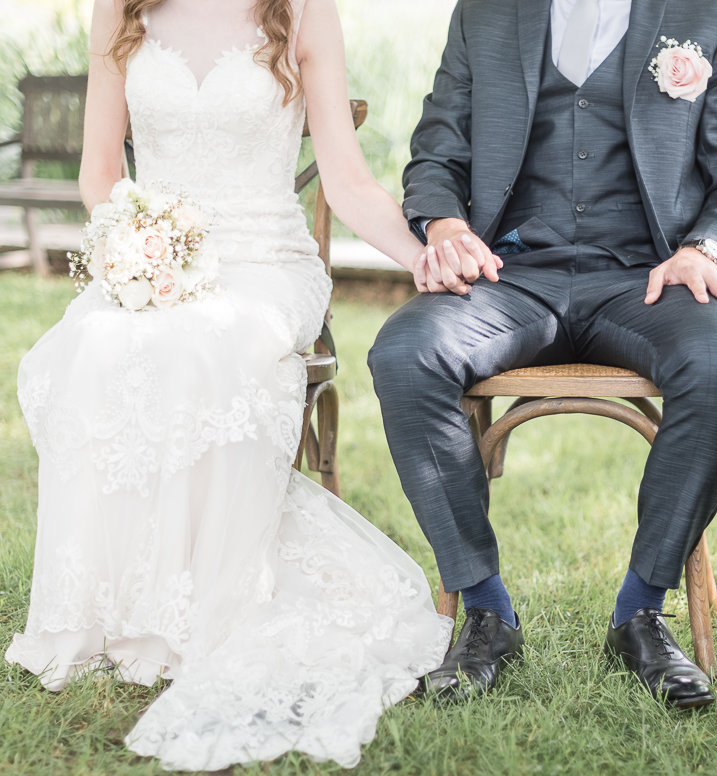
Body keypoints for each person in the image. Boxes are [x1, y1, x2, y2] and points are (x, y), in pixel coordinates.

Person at [5, 0, 452, 770]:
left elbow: (346, 181)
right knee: (90, 346)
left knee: (208, 345)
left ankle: (199, 608)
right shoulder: (121, 9)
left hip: (264, 262)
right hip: (151, 252)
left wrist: (420, 255)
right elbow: (100, 172)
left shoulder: (305, 11)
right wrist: (136, 250)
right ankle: (110, 609)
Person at [368, 0, 717, 708]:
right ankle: (488, 613)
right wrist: (447, 224)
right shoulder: (484, 13)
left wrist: (704, 250)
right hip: (511, 276)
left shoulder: (703, 9)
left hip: (648, 279)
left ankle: (641, 612)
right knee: (407, 352)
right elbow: (436, 154)